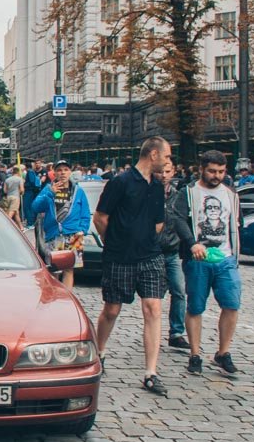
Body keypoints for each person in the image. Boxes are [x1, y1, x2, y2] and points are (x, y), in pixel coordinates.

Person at [93, 137, 172, 396]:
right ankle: (99, 351)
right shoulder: (121, 182)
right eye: (166, 156)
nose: (168, 162)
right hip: (119, 256)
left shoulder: (157, 186)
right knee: (112, 309)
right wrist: (115, 240)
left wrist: (146, 238)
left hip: (150, 256)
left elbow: (159, 222)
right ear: (153, 154)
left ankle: (151, 372)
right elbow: (100, 217)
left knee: (153, 308)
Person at [172, 150, 241, 376]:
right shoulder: (189, 192)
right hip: (197, 259)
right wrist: (192, 243)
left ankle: (223, 352)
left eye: (221, 171)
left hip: (226, 258)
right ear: (201, 169)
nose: (216, 176)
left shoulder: (230, 194)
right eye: (212, 171)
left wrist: (235, 253)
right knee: (195, 306)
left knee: (231, 304)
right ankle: (195, 354)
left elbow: (234, 223)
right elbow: (178, 219)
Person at [32, 160, 91, 289]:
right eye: (59, 170)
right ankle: (55, 296)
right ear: (54, 173)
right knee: (54, 269)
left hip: (74, 235)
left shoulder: (78, 191)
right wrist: (50, 193)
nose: (63, 173)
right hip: (54, 234)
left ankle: (67, 296)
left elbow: (85, 213)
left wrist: (82, 230)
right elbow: (36, 207)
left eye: (65, 170)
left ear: (70, 172)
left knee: (69, 270)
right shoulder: (48, 189)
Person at [156, 159, 189, 352]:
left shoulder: (178, 196)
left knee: (179, 290)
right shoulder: (149, 193)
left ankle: (176, 332)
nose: (164, 175)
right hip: (153, 252)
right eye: (161, 171)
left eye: (167, 171)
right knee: (155, 295)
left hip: (172, 251)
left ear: (173, 172)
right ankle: (153, 330)